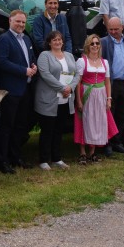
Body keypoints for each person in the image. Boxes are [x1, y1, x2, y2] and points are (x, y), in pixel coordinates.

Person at [0, 10, 37, 174]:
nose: (20, 25)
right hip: (11, 90)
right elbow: (2, 62)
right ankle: (2, 161)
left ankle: (16, 157)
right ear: (10, 21)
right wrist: (24, 71)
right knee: (7, 126)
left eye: (22, 22)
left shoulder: (26, 39)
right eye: (17, 21)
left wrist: (33, 65)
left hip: (25, 89)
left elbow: (31, 57)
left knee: (20, 126)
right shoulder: (4, 39)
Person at [34, 30, 79, 170]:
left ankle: (57, 159)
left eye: (59, 40)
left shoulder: (69, 55)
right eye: (54, 40)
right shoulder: (44, 55)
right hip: (49, 100)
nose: (58, 42)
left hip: (65, 100)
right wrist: (62, 88)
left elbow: (77, 74)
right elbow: (46, 75)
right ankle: (43, 160)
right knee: (47, 131)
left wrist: (70, 88)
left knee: (58, 130)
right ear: (49, 42)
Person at [75, 34, 118, 164]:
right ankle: (82, 152)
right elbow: (78, 82)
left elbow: (107, 82)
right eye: (92, 43)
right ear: (88, 45)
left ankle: (92, 152)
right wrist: (79, 100)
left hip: (101, 95)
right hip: (86, 93)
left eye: (97, 43)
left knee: (97, 121)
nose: (95, 46)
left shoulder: (104, 62)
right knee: (85, 120)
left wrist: (109, 98)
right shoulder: (82, 61)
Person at [100, 17, 124, 153]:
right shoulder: (103, 42)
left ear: (122, 27)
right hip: (112, 84)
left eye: (116, 29)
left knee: (122, 115)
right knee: (109, 115)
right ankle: (107, 144)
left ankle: (117, 142)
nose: (114, 32)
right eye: (111, 29)